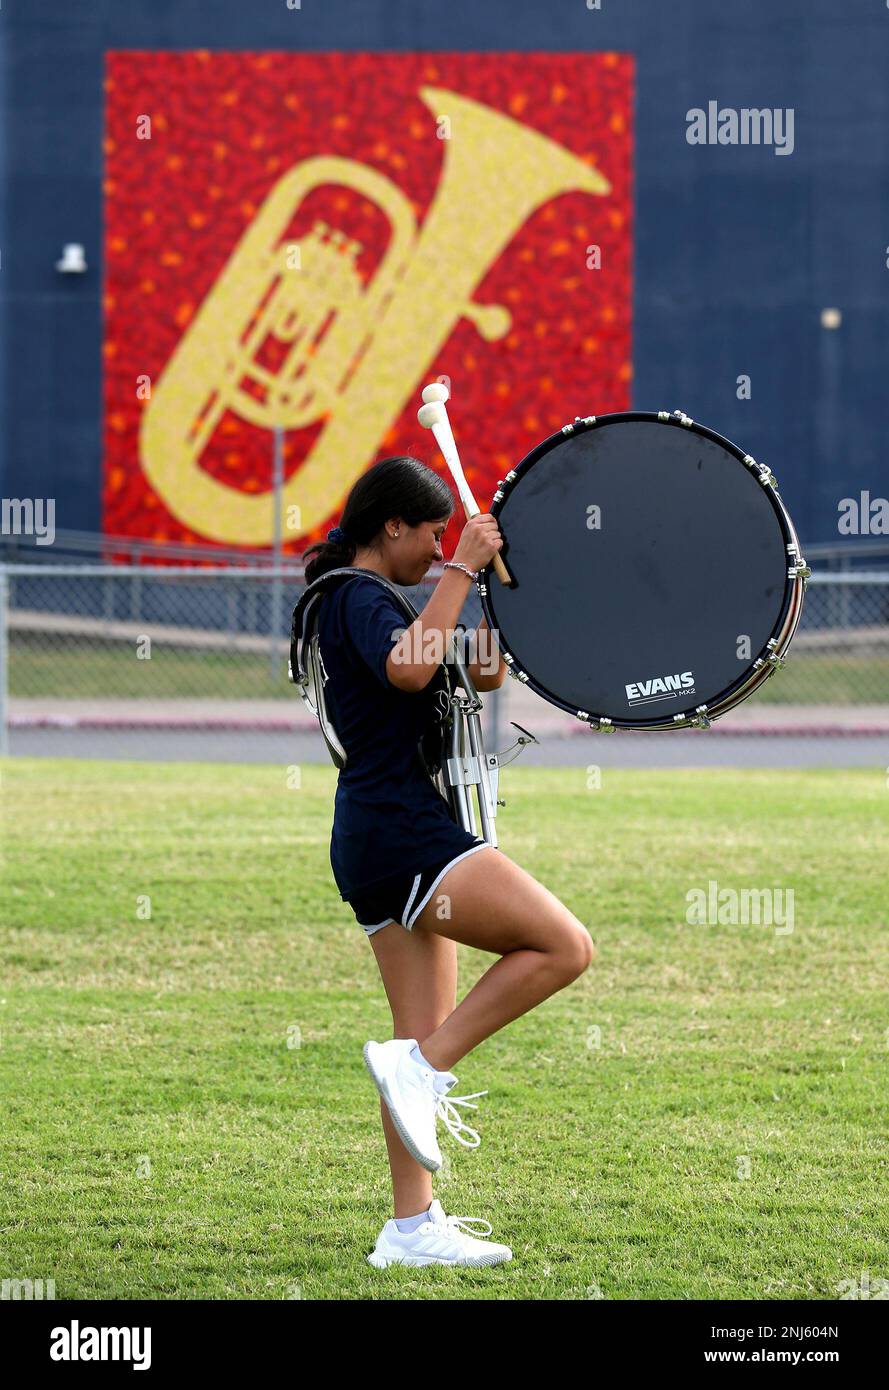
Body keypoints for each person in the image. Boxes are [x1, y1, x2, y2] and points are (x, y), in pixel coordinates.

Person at [302, 455, 596, 1270]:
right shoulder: (356, 596)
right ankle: (422, 1071)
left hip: (375, 838)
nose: (438, 549)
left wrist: (486, 594)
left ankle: (410, 1228)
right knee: (563, 946)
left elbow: (478, 668)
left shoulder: (381, 602)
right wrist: (462, 567)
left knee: (415, 1034)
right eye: (431, 534)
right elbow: (408, 666)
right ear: (390, 524)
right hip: (402, 834)